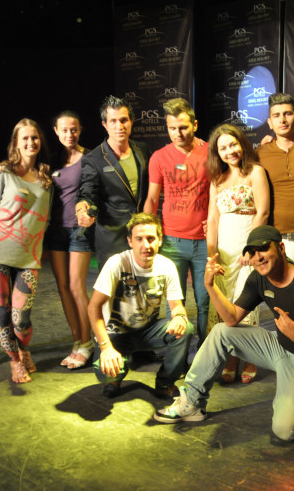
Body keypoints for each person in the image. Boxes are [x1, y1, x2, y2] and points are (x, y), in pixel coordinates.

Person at [153, 225, 294, 442]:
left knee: (285, 431)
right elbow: (231, 318)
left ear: (281, 248)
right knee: (221, 332)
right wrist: (210, 285)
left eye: (264, 249)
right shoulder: (259, 278)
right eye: (252, 252)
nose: (258, 257)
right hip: (279, 346)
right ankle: (191, 402)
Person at [0, 119, 53, 384]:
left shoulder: (46, 178)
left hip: (28, 257)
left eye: (35, 137)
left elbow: (46, 218)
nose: (31, 142)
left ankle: (24, 350)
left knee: (21, 318)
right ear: (16, 143)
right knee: (2, 312)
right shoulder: (3, 173)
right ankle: (14, 361)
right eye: (25, 138)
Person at [88, 213, 194, 398]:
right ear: (130, 241)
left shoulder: (166, 266)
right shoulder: (117, 263)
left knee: (186, 329)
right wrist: (105, 347)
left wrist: (179, 317)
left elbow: (177, 306)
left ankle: (165, 383)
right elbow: (93, 307)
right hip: (116, 333)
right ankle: (116, 375)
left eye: (151, 238)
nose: (146, 245)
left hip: (148, 331)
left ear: (160, 240)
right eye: (139, 239)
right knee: (105, 374)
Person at [206, 124, 270, 384]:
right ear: (217, 153)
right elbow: (212, 218)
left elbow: (262, 212)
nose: (229, 151)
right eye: (223, 148)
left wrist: (251, 248)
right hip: (224, 252)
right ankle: (231, 358)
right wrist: (211, 255)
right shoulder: (217, 179)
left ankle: (251, 358)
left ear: (242, 144)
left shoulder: (256, 172)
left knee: (246, 305)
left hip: (247, 251)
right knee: (225, 305)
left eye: (233, 144)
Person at [144, 98, 210, 344]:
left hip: (205, 242)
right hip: (172, 241)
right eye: (172, 128)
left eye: (183, 127)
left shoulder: (211, 151)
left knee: (205, 302)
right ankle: (177, 355)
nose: (178, 133)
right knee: (174, 302)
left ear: (195, 125)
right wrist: (148, 234)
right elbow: (152, 199)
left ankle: (206, 353)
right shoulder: (159, 157)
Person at [76, 95, 150, 268]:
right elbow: (87, 193)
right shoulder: (94, 159)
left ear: (131, 121)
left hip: (142, 235)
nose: (119, 126)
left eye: (124, 120)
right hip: (112, 239)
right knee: (115, 285)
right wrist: (81, 211)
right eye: (113, 121)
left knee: (143, 283)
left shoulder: (142, 149)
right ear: (105, 125)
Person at [45, 111, 94, 368]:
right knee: (62, 287)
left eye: (73, 129)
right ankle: (77, 342)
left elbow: (95, 193)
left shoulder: (90, 158)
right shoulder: (51, 161)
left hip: (79, 231)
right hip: (56, 231)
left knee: (76, 286)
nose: (69, 134)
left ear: (80, 129)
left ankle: (88, 342)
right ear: (56, 131)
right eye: (64, 130)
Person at [256, 93, 294, 270]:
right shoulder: (259, 153)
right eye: (276, 115)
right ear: (270, 122)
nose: (282, 120)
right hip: (275, 242)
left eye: (287, 114)